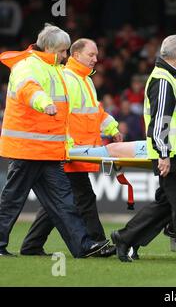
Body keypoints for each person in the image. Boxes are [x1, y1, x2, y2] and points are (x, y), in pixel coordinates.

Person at [0, 24, 109, 258]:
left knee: (64, 202)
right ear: (49, 47)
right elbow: (29, 90)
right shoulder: (26, 66)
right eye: (62, 51)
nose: (65, 56)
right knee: (13, 200)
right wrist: (44, 103)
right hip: (27, 150)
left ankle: (83, 247)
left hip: (48, 149)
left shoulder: (53, 68)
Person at [110, 35, 176, 264]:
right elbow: (160, 122)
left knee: (167, 205)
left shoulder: (171, 77)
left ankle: (125, 237)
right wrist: (163, 155)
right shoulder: (164, 80)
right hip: (174, 156)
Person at [19, 38, 122, 257]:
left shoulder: (84, 79)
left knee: (59, 202)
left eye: (96, 55)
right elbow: (62, 117)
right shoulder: (69, 78)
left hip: (77, 150)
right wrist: (68, 146)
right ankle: (98, 242)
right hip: (70, 151)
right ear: (75, 55)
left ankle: (31, 245)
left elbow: (95, 112)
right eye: (91, 55)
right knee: (83, 197)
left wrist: (112, 128)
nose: (95, 59)